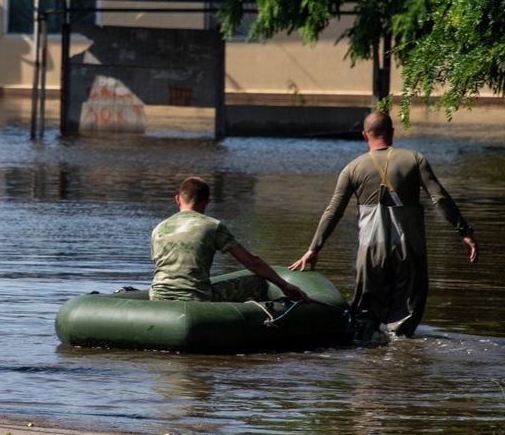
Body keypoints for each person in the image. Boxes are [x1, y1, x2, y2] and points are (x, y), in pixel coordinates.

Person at [290, 110, 478, 338]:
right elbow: (439, 198)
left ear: (364, 135)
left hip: (371, 251)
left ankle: (369, 361)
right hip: (409, 249)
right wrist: (464, 231)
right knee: (405, 317)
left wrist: (314, 249)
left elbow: (334, 211)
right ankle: (400, 357)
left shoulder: (352, 168)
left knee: (365, 316)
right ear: (392, 132)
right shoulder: (414, 159)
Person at [151, 177, 309, 303]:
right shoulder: (212, 226)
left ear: (178, 199)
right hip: (196, 299)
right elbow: (251, 262)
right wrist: (284, 285)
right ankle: (248, 325)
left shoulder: (158, 229)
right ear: (207, 202)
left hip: (156, 296)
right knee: (258, 282)